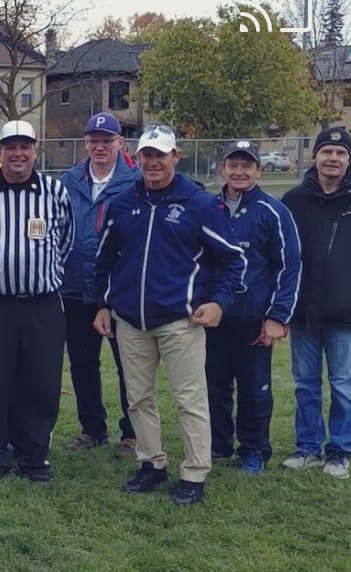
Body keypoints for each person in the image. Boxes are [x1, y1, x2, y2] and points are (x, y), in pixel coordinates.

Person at [94, 124, 246, 506]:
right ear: (137, 157)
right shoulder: (124, 203)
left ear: (175, 156)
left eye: (160, 155)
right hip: (130, 320)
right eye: (147, 155)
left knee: (189, 398)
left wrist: (219, 302)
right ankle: (151, 463)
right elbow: (104, 261)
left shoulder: (199, 203)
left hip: (181, 320)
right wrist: (102, 303)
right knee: (138, 398)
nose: (153, 162)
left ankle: (194, 473)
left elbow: (233, 260)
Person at [0, 120, 73, 486]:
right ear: (0, 152)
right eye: (10, 147)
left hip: (42, 304)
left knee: (41, 382)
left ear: (35, 150)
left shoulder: (55, 192)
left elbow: (65, 242)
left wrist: (35, 271)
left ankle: (33, 456)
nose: (18, 154)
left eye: (25, 147)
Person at [207, 140, 301, 476]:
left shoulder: (273, 211)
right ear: (223, 169)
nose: (240, 171)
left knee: (254, 389)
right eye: (234, 164)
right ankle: (217, 445)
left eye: (247, 166)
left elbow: (289, 266)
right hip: (213, 317)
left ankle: (254, 449)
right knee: (212, 386)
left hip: (253, 319)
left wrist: (277, 316)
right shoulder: (208, 207)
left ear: (258, 171)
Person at [59, 112, 140, 457]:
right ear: (86, 143)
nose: (100, 147)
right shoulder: (69, 180)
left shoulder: (134, 181)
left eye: (107, 141)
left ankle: (133, 433)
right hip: (75, 287)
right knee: (82, 363)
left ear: (120, 143)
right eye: (94, 141)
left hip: (119, 290)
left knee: (130, 365)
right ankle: (92, 428)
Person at [281, 126, 351, 479]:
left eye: (340, 154)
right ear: (316, 157)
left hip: (344, 313)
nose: (333, 159)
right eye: (327, 152)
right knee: (305, 384)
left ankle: (340, 450)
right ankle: (308, 447)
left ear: (348, 160)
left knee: (343, 385)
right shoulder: (293, 201)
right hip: (303, 310)